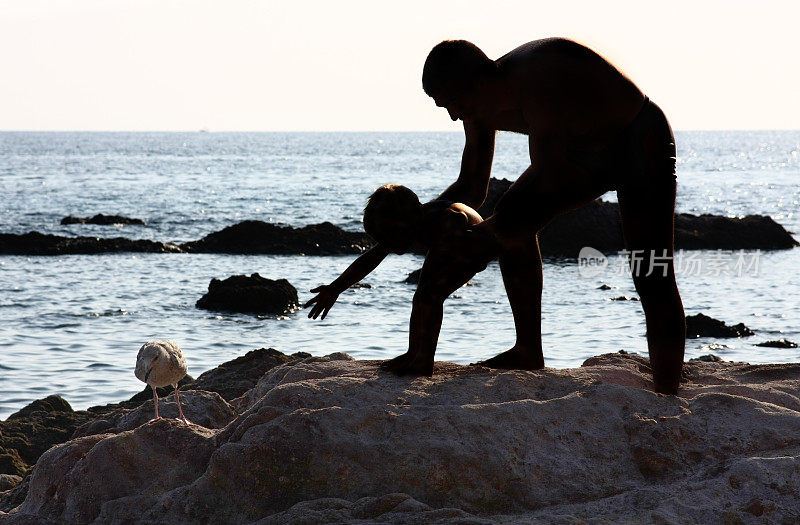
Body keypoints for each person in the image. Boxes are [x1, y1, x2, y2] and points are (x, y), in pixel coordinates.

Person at [419, 37, 685, 394]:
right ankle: (528, 349)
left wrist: (484, 239)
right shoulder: (478, 106)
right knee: (511, 214)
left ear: (478, 83)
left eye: (452, 103)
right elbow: (471, 186)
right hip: (580, 149)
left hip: (638, 139)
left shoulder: (534, 78)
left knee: (651, 270)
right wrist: (418, 222)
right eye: (444, 107)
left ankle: (668, 394)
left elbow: (550, 174)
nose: (453, 115)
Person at [305, 184, 500, 375]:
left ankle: (424, 360)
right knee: (421, 297)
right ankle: (413, 352)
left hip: (473, 246)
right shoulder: (407, 226)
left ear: (412, 219)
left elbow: (458, 216)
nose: (389, 245)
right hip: (445, 245)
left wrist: (464, 243)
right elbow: (368, 260)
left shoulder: (440, 220)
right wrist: (335, 288)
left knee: (430, 296)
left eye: (391, 238)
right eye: (383, 240)